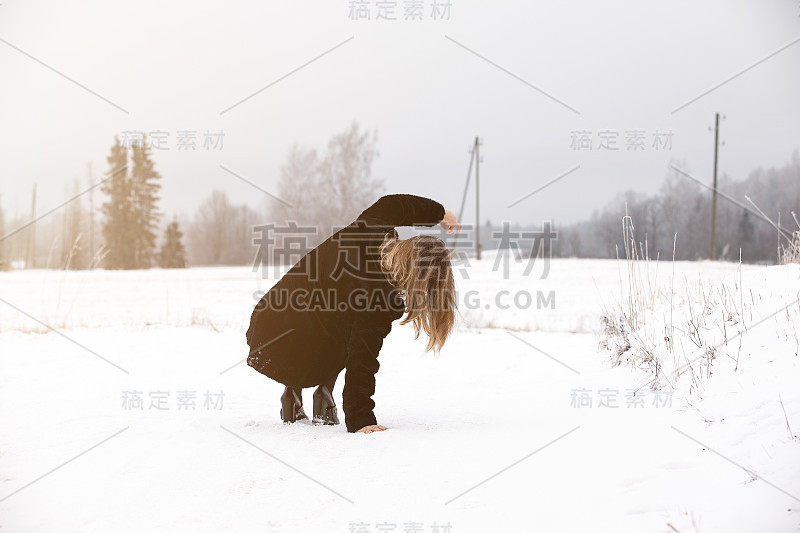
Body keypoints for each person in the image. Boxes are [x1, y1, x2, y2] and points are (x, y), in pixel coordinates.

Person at [245, 194, 462, 434]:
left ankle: (293, 395)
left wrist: (440, 214)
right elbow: (362, 360)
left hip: (264, 328)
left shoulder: (371, 228)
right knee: (346, 332)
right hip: (290, 358)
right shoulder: (379, 299)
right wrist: (361, 418)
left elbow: (396, 204)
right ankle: (321, 392)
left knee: (327, 314)